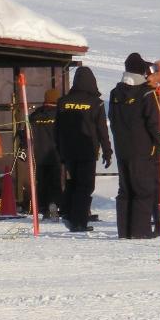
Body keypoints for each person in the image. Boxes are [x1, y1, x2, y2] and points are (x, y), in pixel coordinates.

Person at [109, 53, 160, 239]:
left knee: (125, 190)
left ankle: (124, 231)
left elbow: (112, 119)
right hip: (143, 149)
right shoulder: (147, 93)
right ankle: (140, 231)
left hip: (122, 148)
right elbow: (155, 124)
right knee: (143, 190)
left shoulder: (115, 93)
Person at [55, 66, 112, 232]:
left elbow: (57, 129)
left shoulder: (63, 102)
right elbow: (102, 130)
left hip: (68, 151)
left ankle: (67, 213)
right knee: (85, 186)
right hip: (88, 150)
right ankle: (79, 221)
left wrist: (60, 151)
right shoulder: (96, 103)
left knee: (72, 183)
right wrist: (107, 151)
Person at [22, 88, 62, 219]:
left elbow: (25, 134)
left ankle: (44, 209)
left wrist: (24, 149)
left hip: (38, 156)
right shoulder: (60, 115)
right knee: (55, 182)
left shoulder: (34, 116)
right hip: (55, 155)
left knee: (41, 183)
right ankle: (54, 204)